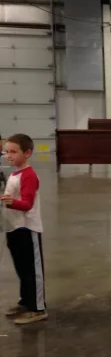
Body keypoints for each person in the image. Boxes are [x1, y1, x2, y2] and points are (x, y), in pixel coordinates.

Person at [2, 134, 48, 325]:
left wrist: (11, 202)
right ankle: (25, 301)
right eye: (6, 152)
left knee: (32, 270)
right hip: (13, 227)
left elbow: (27, 204)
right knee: (21, 269)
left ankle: (37, 308)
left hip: (28, 228)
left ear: (27, 153)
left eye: (14, 152)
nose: (8, 156)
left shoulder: (29, 175)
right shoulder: (14, 174)